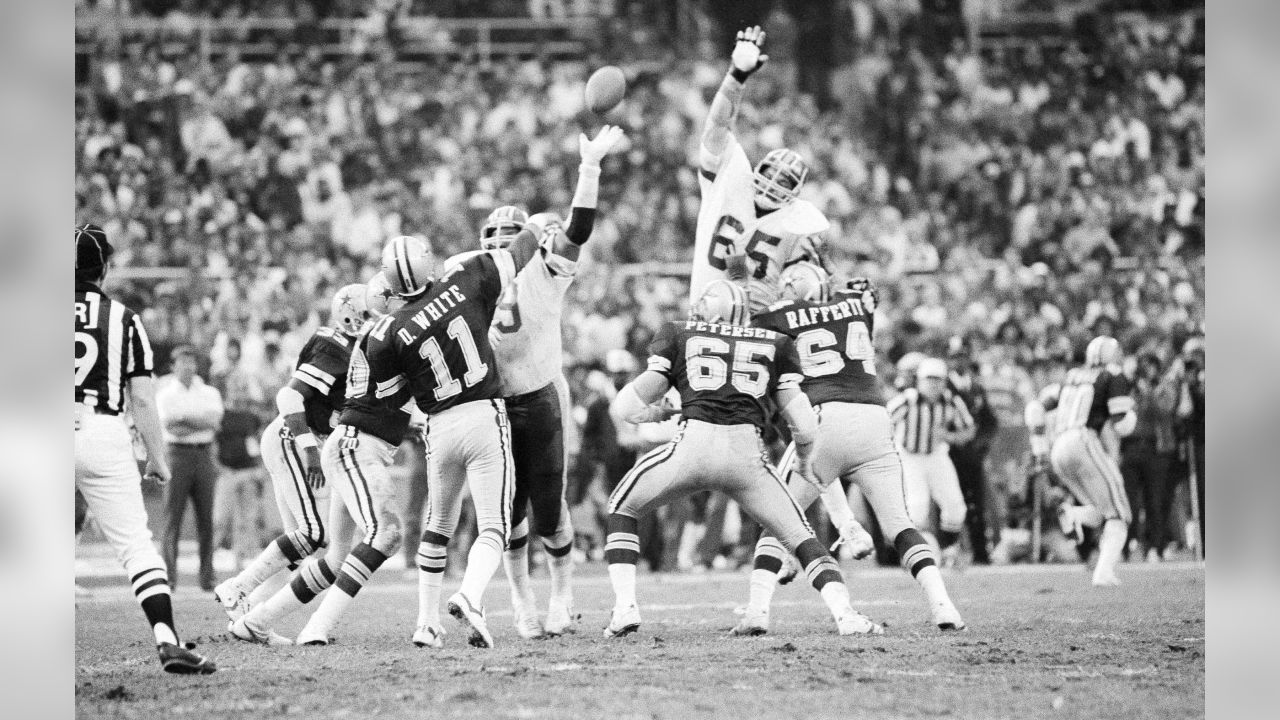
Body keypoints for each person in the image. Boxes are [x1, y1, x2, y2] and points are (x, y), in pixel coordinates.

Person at [605, 279, 883, 638]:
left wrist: (656, 415)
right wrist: (802, 460)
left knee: (622, 508)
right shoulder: (774, 343)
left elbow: (625, 407)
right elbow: (806, 425)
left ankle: (625, 607)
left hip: (693, 445)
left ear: (709, 309)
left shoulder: (679, 334)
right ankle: (845, 615)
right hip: (747, 455)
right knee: (800, 535)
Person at [449, 125, 624, 639]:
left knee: (548, 511)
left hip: (540, 397)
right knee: (508, 517)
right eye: (497, 242)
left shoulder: (532, 268)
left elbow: (580, 226)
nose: (504, 248)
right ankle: (525, 605)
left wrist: (588, 168)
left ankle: (561, 597)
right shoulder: (471, 275)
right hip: (494, 406)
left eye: (510, 239)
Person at [734, 267, 966, 634]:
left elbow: (751, 324)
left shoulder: (780, 315)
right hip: (875, 419)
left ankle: (757, 610)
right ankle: (943, 606)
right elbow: (861, 293)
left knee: (778, 518)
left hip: (823, 416)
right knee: (900, 525)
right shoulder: (857, 303)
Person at [385, 226, 542, 649]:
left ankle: (425, 623)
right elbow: (523, 249)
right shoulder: (467, 277)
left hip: (438, 427)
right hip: (483, 415)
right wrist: (537, 225)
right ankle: (471, 596)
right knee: (495, 525)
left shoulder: (393, 330)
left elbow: (392, 396)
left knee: (438, 525)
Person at [74, 223, 215, 674]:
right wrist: (156, 456)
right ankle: (167, 639)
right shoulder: (124, 320)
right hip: (101, 430)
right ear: (107, 268)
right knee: (136, 546)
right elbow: (141, 399)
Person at [221, 283, 370, 642]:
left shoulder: (353, 349)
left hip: (297, 439)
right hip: (292, 437)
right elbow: (288, 396)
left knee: (302, 546)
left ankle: (251, 613)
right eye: (370, 313)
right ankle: (237, 587)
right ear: (353, 315)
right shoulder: (336, 347)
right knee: (313, 534)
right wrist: (309, 449)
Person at [292, 273, 419, 646]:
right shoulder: (374, 338)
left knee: (335, 558)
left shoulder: (377, 338)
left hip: (354, 444)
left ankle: (257, 616)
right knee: (386, 533)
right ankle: (317, 626)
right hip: (349, 446)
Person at [692, 25, 829, 314]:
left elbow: (805, 295)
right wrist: (736, 77)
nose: (774, 181)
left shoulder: (799, 222)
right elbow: (718, 124)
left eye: (784, 179)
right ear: (759, 167)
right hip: (708, 311)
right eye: (771, 173)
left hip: (759, 326)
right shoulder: (730, 174)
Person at [1025, 336, 1137, 586]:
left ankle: (1073, 514)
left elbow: (1034, 409)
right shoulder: (1113, 375)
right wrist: (1131, 415)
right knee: (1120, 513)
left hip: (1058, 447)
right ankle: (1104, 572)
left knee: (1101, 511)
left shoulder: (1071, 376)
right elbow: (1122, 423)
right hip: (1083, 439)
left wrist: (1041, 453)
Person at [888, 357, 976, 567]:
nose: (933, 384)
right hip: (910, 456)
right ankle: (912, 553)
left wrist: (949, 436)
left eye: (938, 379)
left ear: (945, 381)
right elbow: (883, 421)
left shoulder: (951, 401)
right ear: (918, 381)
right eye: (929, 379)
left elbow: (969, 429)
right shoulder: (907, 400)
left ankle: (948, 550)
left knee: (955, 507)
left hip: (936, 455)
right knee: (917, 508)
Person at [156, 345, 225, 591]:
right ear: (173, 366)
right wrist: (198, 422)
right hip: (177, 454)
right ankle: (169, 577)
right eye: (183, 362)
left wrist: (185, 419)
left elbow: (214, 423)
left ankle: (207, 577)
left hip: (204, 454)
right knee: (172, 518)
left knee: (206, 519)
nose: (188, 366)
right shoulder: (165, 394)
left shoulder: (209, 392)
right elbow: (170, 426)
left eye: (191, 362)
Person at [1119, 353, 1179, 561]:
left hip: (1156, 450)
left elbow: (1165, 410)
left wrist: (1149, 393)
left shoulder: (1165, 387)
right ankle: (1124, 547)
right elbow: (1120, 412)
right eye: (1144, 367)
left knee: (1155, 501)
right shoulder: (1129, 388)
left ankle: (1155, 547)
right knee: (1128, 502)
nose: (1148, 370)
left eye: (1151, 366)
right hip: (1131, 448)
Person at [946, 341, 998, 564]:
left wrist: (980, 445)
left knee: (976, 503)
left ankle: (980, 553)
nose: (960, 361)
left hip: (972, 455)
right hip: (948, 455)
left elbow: (989, 421)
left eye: (963, 356)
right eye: (955, 357)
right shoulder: (944, 386)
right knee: (950, 503)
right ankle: (950, 551)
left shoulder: (975, 387)